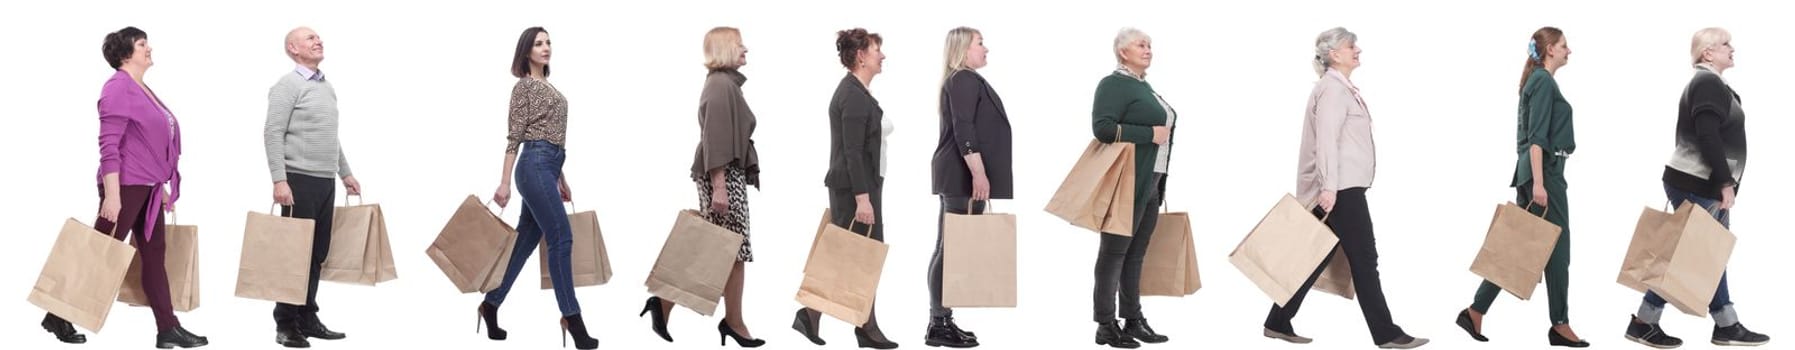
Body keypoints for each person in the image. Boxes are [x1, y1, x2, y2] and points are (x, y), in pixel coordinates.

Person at [40, 25, 209, 349]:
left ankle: (168, 328)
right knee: (100, 253)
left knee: (154, 256)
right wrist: (113, 195)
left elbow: (147, 143)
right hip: (125, 187)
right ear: (125, 54)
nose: (149, 49)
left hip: (146, 188)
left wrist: (158, 186)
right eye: (142, 44)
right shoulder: (118, 87)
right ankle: (57, 312)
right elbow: (109, 145)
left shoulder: (142, 88)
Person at [1260, 27, 1428, 349]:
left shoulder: (1339, 88)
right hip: (1341, 190)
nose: (1358, 50)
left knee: (1315, 256)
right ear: (1334, 54)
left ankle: (1277, 321)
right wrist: (1329, 189)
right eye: (1352, 46)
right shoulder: (1333, 90)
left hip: (1341, 188)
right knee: (1365, 259)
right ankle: (1387, 334)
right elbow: (1327, 142)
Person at [1623, 27, 1771, 349]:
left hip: (1698, 184)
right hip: (1699, 184)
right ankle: (1649, 322)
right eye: (1726, 44)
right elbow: (1707, 136)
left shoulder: (1713, 83)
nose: (1733, 48)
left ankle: (1720, 323)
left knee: (1706, 254)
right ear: (1708, 53)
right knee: (1692, 254)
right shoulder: (1706, 83)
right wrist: (1724, 183)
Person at [1455, 26, 1590, 348]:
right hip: (1545, 174)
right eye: (1564, 45)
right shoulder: (1542, 81)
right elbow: (1536, 138)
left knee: (1519, 245)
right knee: (1558, 251)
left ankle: (1475, 310)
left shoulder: (1539, 80)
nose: (1569, 51)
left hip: (1536, 172)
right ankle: (1560, 324)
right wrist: (1541, 184)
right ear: (1550, 50)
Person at [640, 26, 766, 348]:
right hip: (723, 177)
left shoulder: (724, 85)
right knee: (731, 251)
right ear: (724, 48)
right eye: (740, 44)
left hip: (725, 175)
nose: (746, 49)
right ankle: (734, 322)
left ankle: (666, 302)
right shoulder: (721, 85)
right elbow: (715, 140)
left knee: (722, 249)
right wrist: (720, 187)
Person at [474, 26, 598, 350]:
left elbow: (553, 134)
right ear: (526, 50)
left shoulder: (550, 86)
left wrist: (561, 178)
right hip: (533, 167)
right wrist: (503, 181)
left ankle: (490, 304)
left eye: (548, 42)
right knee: (561, 237)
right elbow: (515, 136)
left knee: (526, 241)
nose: (545, 47)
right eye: (538, 43)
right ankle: (572, 317)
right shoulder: (524, 86)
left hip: (549, 168)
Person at [791, 27, 896, 350]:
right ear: (861, 56)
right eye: (877, 49)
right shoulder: (851, 94)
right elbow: (851, 151)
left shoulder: (856, 91)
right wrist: (863, 199)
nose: (883, 55)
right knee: (863, 256)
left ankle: (812, 315)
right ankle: (866, 327)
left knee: (847, 255)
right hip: (855, 189)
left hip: (859, 186)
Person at [263, 26, 360, 348]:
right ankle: (285, 324)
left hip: (324, 180)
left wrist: (345, 173)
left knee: (317, 254)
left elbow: (330, 137)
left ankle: (307, 317)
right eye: (309, 38)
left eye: (318, 37)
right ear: (293, 48)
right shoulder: (287, 86)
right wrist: (280, 179)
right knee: (294, 254)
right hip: (298, 179)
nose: (318, 41)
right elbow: (272, 133)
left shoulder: (326, 87)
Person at [925, 26, 1012, 349]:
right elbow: (964, 128)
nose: (985, 48)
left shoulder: (964, 79)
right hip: (961, 174)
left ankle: (942, 320)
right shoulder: (962, 79)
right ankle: (938, 322)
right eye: (980, 43)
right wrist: (978, 172)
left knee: (948, 247)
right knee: (950, 249)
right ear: (963, 49)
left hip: (957, 174)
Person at [1089, 27, 1173, 349]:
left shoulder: (1144, 87)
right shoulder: (1113, 84)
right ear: (1123, 52)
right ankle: (1105, 325)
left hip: (1151, 181)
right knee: (1113, 253)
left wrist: (1160, 180)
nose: (1149, 49)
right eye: (1141, 44)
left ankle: (1133, 320)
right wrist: (1148, 134)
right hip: (1127, 181)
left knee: (1136, 255)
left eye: (1150, 44)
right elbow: (1103, 128)